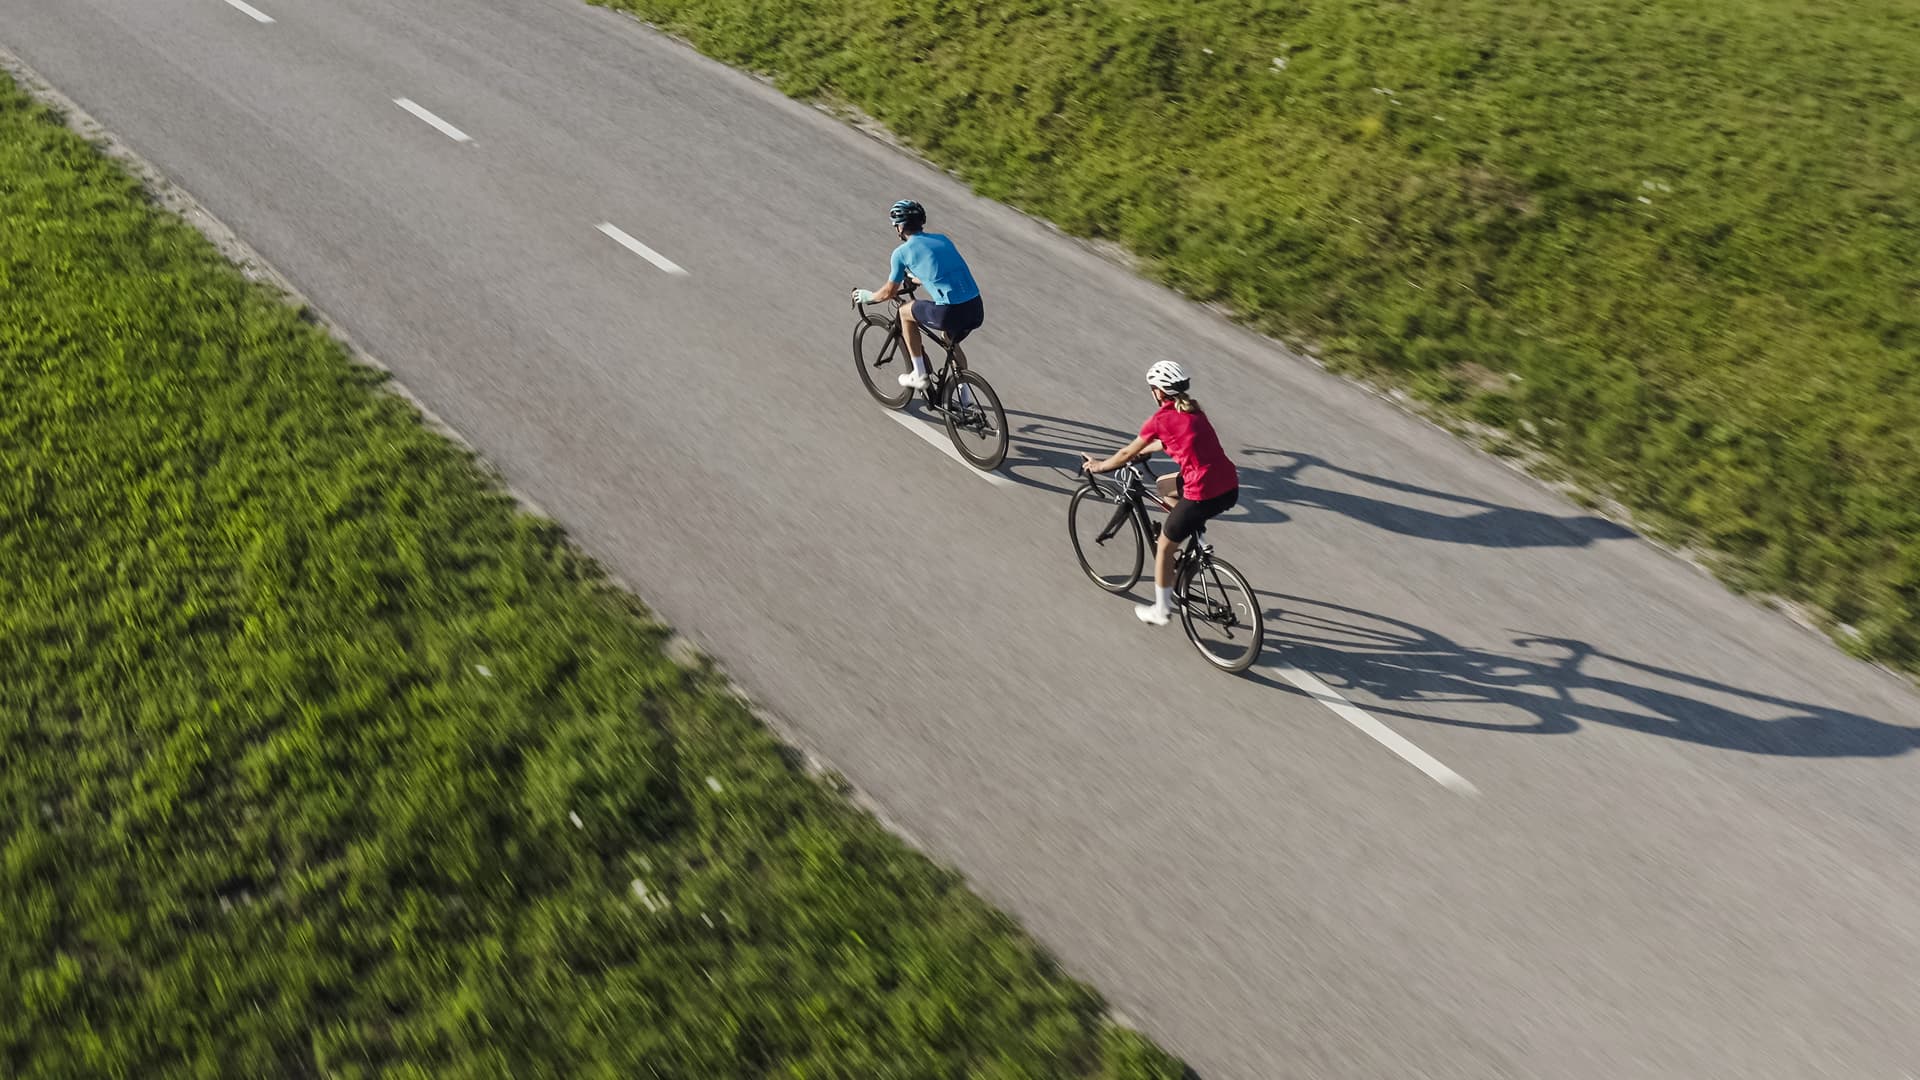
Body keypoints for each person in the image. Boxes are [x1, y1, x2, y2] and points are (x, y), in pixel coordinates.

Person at [1083, 361, 1241, 626]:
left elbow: (1124, 454)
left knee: (1165, 548)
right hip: (1229, 486)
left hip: (1202, 492)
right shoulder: (1194, 411)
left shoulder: (1160, 419)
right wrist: (1150, 449)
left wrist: (1100, 466)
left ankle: (1161, 610)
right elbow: (1180, 439)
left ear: (1157, 391)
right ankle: (1197, 538)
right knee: (1164, 486)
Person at [850, 200, 984, 390]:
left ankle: (919, 374)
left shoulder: (901, 253)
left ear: (900, 226)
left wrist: (867, 296)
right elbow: (944, 273)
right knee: (949, 340)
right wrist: (916, 279)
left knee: (905, 312)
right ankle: (966, 400)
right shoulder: (943, 240)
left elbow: (889, 292)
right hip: (975, 308)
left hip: (949, 312)